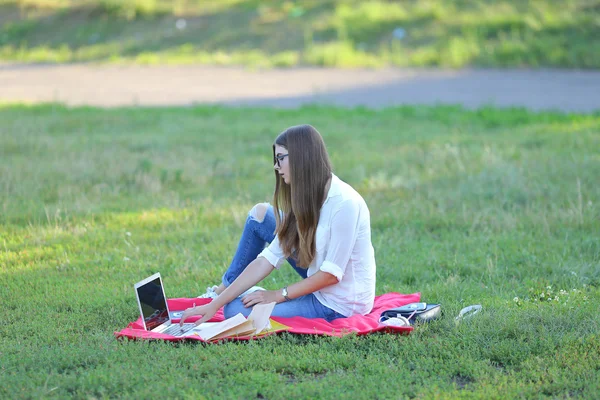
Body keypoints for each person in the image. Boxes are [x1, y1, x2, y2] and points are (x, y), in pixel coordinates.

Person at [180, 124, 376, 326]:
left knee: (235, 310)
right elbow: (267, 259)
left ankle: (246, 293)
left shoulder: (345, 204)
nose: (276, 166)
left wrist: (278, 295)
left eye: (280, 158)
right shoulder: (306, 196)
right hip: (318, 280)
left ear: (301, 157)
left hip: (338, 305)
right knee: (261, 218)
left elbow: (330, 276)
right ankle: (227, 291)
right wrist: (215, 304)